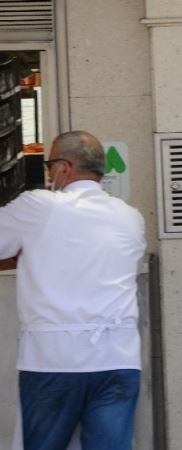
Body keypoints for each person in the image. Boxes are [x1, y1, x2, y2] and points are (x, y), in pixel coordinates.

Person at [0, 131, 146, 450]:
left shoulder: (39, 206)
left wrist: (26, 251)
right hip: (118, 359)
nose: (49, 174)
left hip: (53, 359)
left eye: (50, 166)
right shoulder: (131, 218)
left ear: (64, 168)